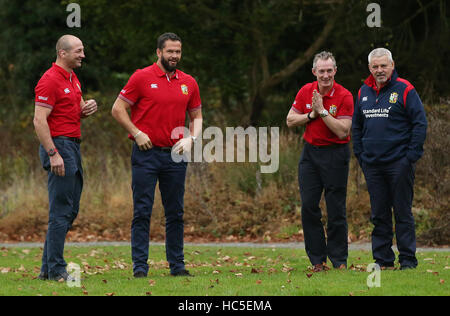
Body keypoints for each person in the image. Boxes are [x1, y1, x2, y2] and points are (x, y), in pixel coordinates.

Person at [111, 32, 203, 278]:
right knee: (142, 211)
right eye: (170, 51)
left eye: (178, 52)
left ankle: (177, 266)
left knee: (176, 212)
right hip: (146, 155)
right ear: (159, 52)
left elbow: (197, 117)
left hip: (175, 156)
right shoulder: (142, 77)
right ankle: (140, 267)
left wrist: (191, 138)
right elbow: (118, 109)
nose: (175, 56)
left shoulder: (189, 82)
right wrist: (136, 132)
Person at [352, 48, 427, 270]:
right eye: (375, 67)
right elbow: (357, 126)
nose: (380, 70)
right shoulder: (363, 92)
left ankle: (407, 261)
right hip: (372, 165)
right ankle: (383, 260)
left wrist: (411, 156)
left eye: (383, 66)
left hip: (399, 163)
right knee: (379, 215)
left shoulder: (405, 89)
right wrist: (361, 154)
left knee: (402, 212)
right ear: (369, 69)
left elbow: (420, 123)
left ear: (392, 65)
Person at [33, 35, 98, 281]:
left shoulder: (72, 78)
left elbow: (75, 110)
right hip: (59, 146)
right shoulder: (49, 80)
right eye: (79, 51)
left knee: (70, 210)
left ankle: (47, 269)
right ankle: (57, 269)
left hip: (72, 146)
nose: (83, 55)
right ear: (63, 53)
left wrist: (86, 109)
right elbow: (39, 120)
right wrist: (53, 154)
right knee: (61, 211)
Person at [286, 51, 354, 272]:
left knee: (335, 209)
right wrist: (311, 115)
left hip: (336, 154)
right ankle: (318, 260)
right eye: (321, 71)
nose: (325, 75)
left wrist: (322, 111)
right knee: (308, 207)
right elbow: (290, 120)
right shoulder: (307, 91)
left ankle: (339, 259)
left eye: (329, 70)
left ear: (335, 70)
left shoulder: (344, 95)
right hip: (310, 155)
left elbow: (343, 131)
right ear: (314, 71)